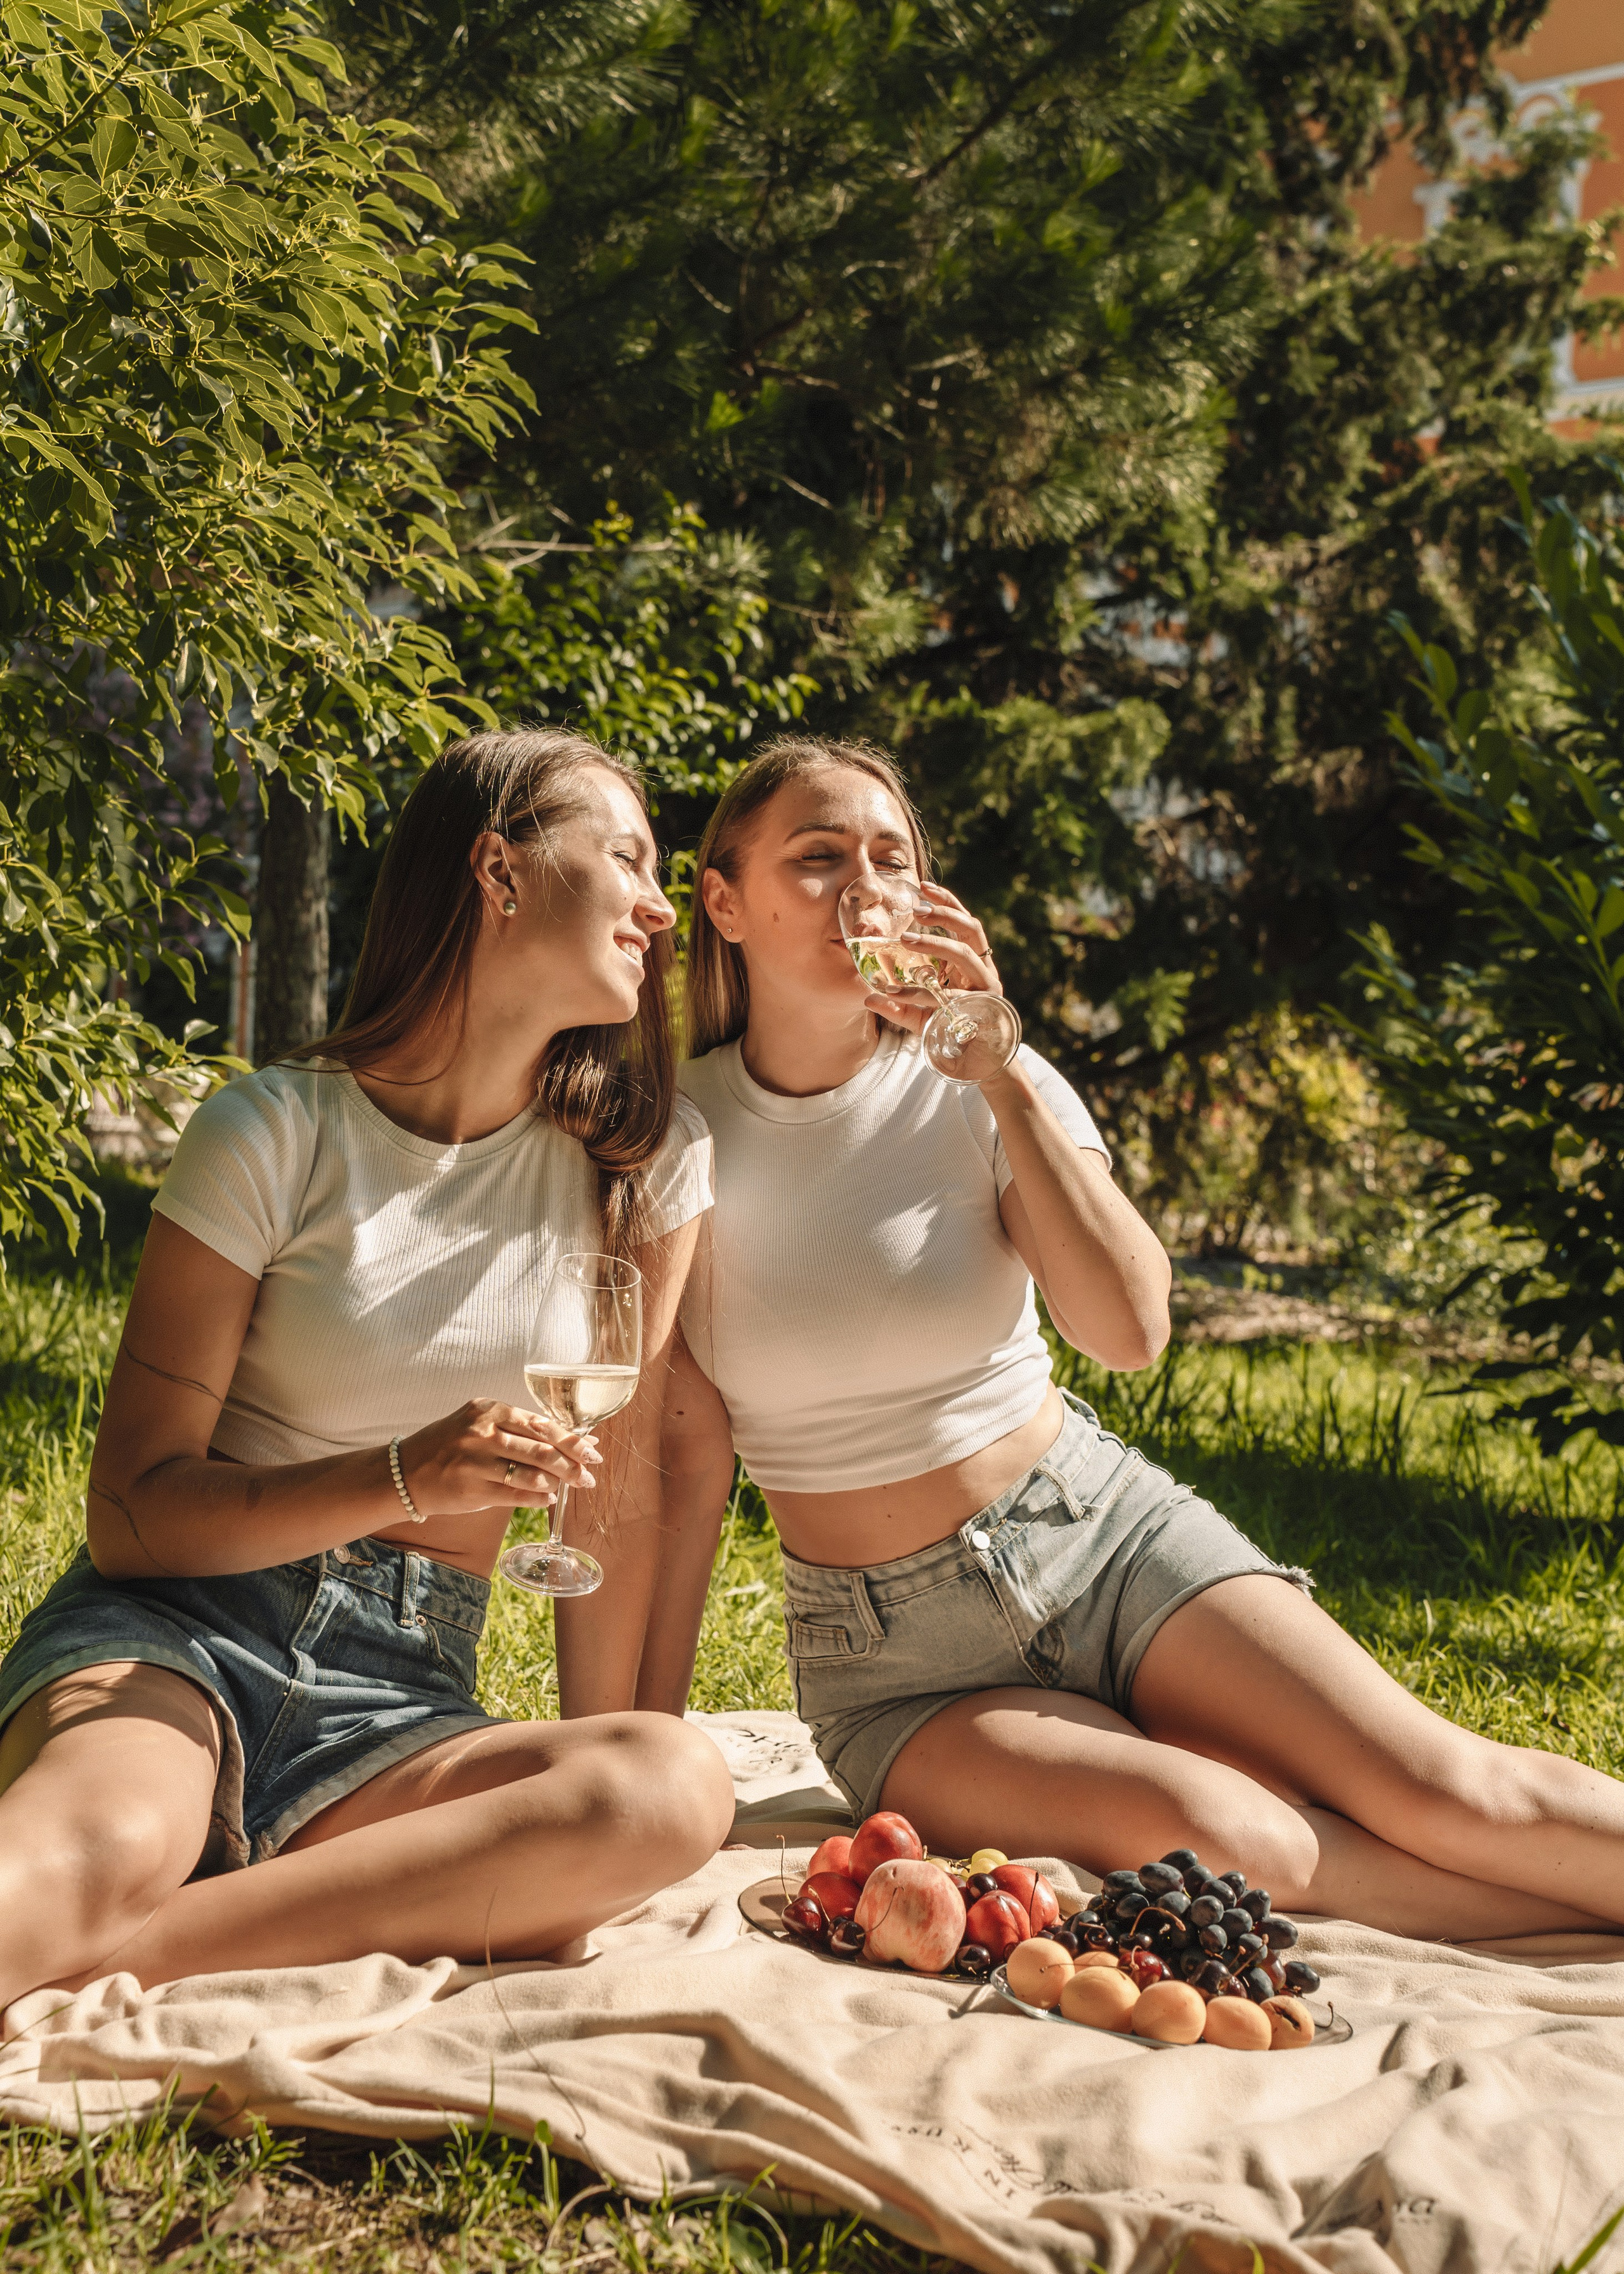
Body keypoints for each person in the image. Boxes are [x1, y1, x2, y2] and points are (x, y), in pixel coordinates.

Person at [637, 733, 1624, 1941]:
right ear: (724, 903)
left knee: (1443, 1787)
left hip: (1103, 1538)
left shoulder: (993, 1078)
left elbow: (1129, 1329)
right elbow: (684, 1458)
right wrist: (641, 1738)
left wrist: (996, 1068)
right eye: (818, 856)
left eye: (890, 856)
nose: (863, 887)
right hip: (896, 1668)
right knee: (1243, 1841)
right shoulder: (677, 1135)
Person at [0, 731, 734, 2015]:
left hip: (398, 1694)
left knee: (667, 1784)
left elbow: (614, 1493)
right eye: (626, 857)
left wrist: (588, 1767)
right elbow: (127, 1515)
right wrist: (401, 1473)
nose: (663, 906)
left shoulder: (641, 1168)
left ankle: (137, 1951)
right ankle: (129, 1912)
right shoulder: (274, 1129)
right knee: (97, 1848)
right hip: (179, 1635)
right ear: (496, 870)